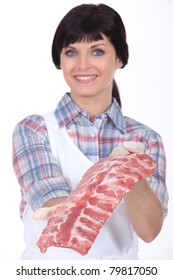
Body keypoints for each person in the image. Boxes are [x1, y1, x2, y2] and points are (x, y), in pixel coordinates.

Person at [12, 3, 168, 260]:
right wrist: (63, 208)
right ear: (59, 60)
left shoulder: (145, 139)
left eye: (97, 51)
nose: (82, 65)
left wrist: (132, 172)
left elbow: (150, 231)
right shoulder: (34, 130)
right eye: (71, 52)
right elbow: (51, 200)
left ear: (119, 58)